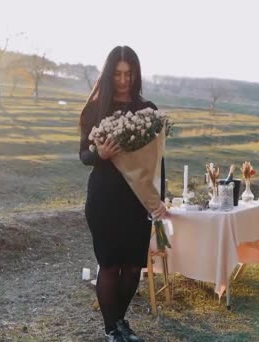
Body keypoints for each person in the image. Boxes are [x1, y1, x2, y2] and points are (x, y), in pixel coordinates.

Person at [78, 45, 167, 342]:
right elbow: (83, 156)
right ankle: (112, 330)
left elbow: (157, 160)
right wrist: (99, 153)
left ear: (136, 74)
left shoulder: (148, 111)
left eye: (129, 74)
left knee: (132, 267)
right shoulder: (94, 110)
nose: (123, 80)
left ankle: (119, 322)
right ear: (108, 74)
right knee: (110, 264)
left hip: (136, 201)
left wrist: (158, 199)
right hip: (104, 199)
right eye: (117, 74)